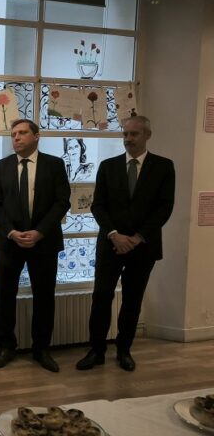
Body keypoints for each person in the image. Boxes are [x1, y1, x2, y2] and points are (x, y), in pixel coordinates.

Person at [76, 116, 175, 372]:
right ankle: (97, 350)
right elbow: (98, 205)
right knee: (101, 297)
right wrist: (114, 234)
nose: (128, 139)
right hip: (111, 244)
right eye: (125, 134)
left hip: (143, 247)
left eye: (134, 134)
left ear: (147, 135)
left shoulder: (164, 167)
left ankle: (124, 350)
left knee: (132, 299)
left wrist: (138, 237)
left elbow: (164, 208)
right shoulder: (108, 166)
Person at [0, 119, 70, 373]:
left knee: (44, 297)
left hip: (43, 242)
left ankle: (41, 349)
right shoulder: (3, 166)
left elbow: (62, 201)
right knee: (5, 296)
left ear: (36, 136)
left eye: (22, 133)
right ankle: (6, 347)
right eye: (13, 134)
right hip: (10, 242)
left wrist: (39, 232)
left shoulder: (54, 165)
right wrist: (11, 232)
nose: (16, 138)